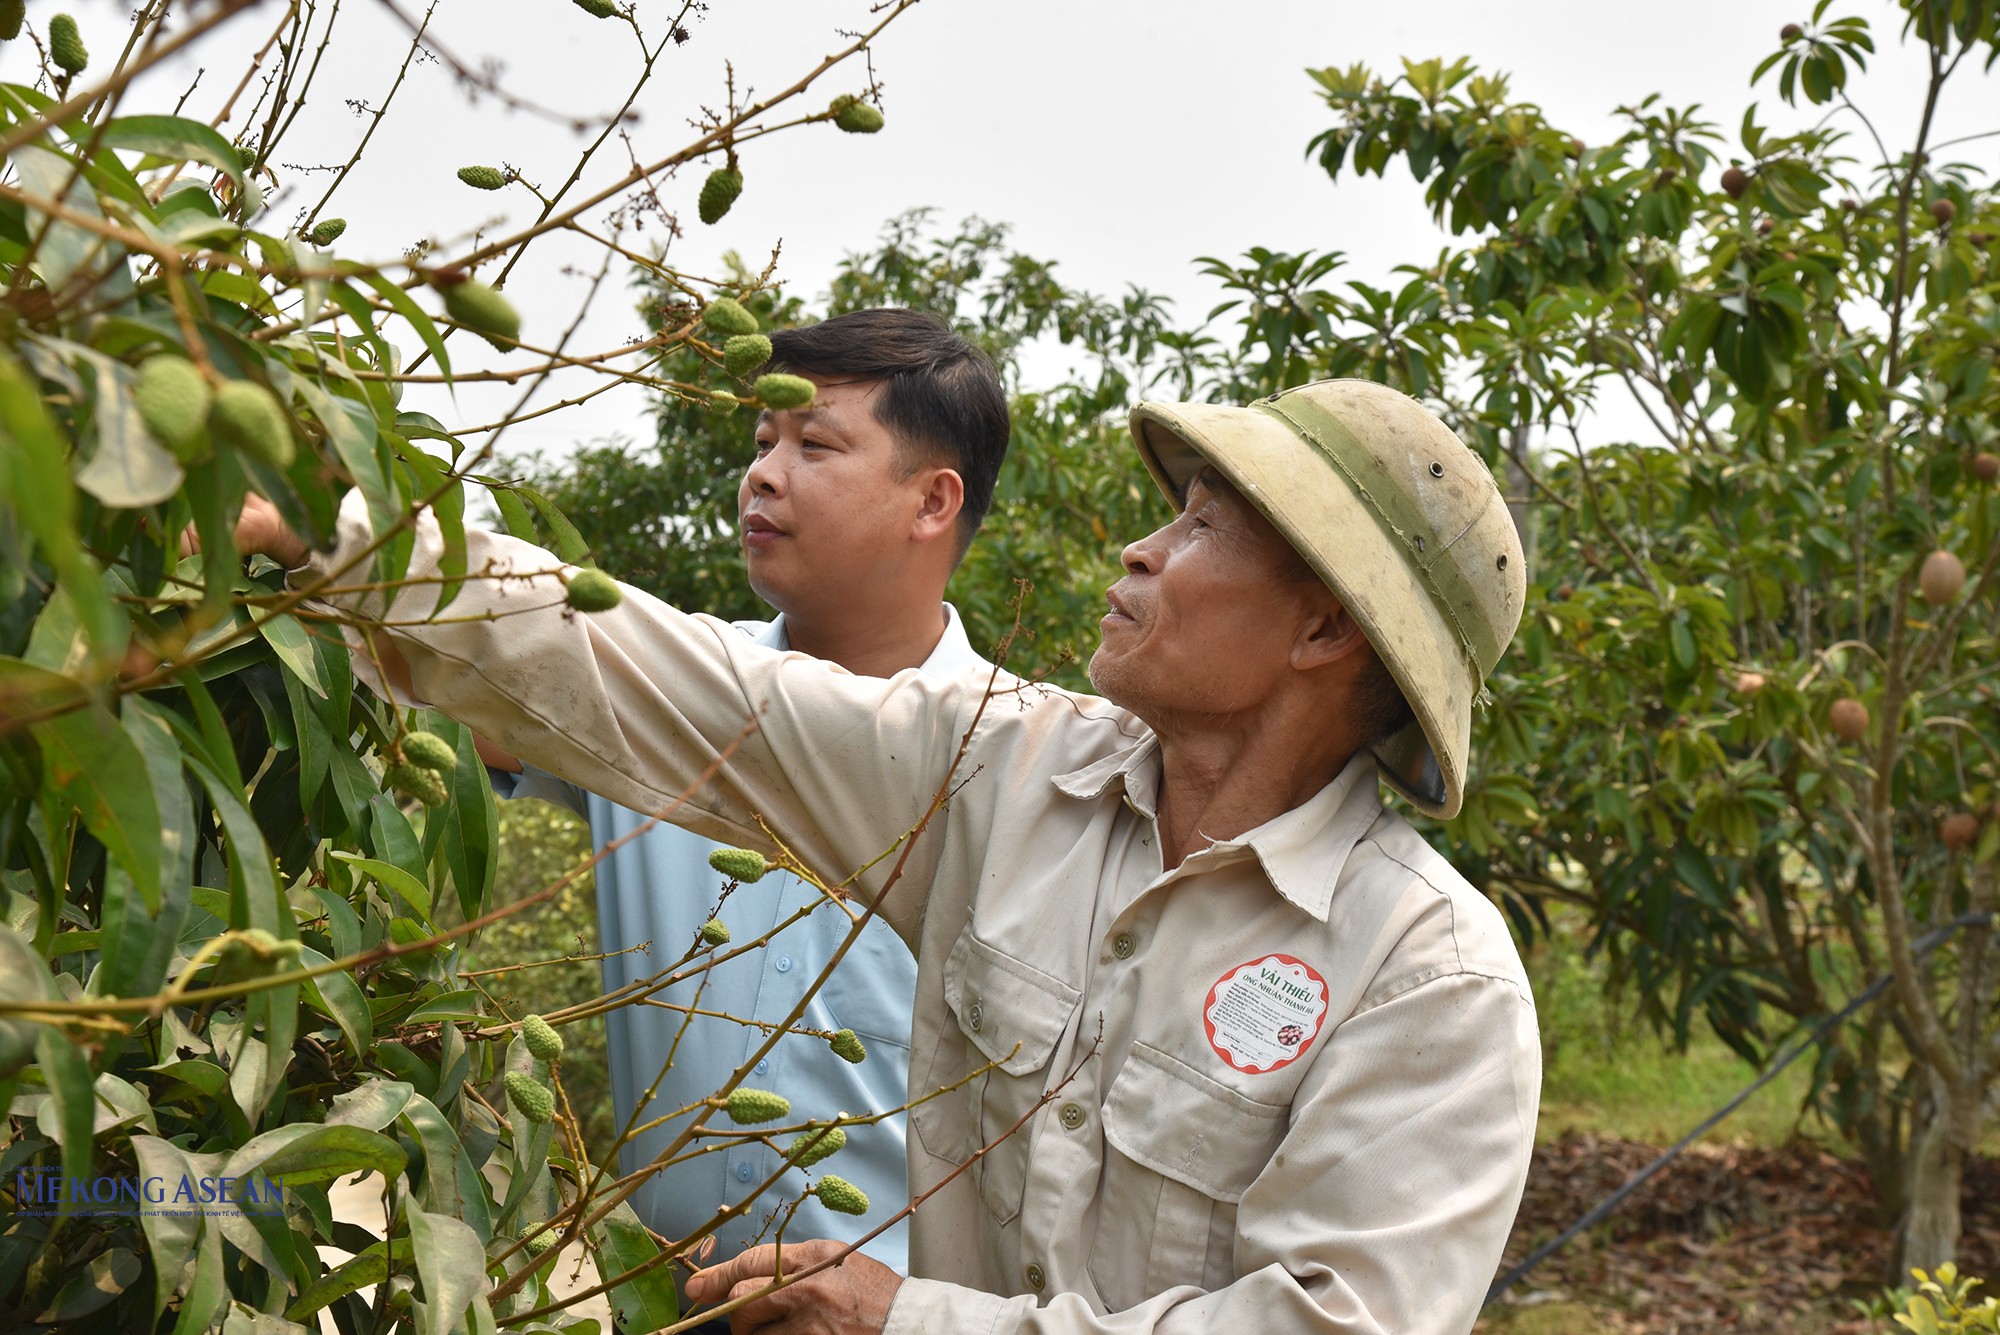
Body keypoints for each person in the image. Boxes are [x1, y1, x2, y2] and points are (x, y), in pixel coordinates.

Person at [250, 376, 1539, 1335]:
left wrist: (905, 1321)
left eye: (1201, 529)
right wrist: (340, 542)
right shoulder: (1004, 770)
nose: (1141, 549)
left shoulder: (1426, 978)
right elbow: (672, 688)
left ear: (1321, 629)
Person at [484, 308, 1013, 1290]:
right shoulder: (659, 692)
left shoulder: (1011, 772)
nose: (763, 473)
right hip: (656, 1301)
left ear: (931, 502)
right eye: (762, 441)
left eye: (814, 445)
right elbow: (456, 667)